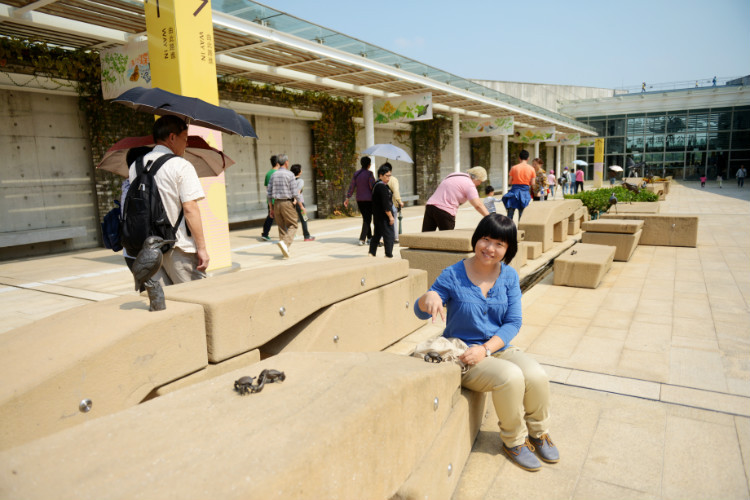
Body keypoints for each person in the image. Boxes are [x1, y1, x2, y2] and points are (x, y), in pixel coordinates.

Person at [413, 214, 558, 472]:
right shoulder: (453, 274)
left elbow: (513, 322)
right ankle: (514, 441)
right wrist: (430, 296)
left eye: (499, 244)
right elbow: (421, 310)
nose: (490, 248)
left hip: (496, 347)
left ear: (508, 249)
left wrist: (487, 349)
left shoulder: (509, 276)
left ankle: (538, 433)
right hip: (464, 353)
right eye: (485, 239)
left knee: (536, 375)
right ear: (476, 239)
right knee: (510, 377)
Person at [128, 115, 209, 286]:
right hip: (178, 247)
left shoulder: (135, 165)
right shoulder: (181, 165)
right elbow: (190, 208)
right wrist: (202, 248)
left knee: (166, 302)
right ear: (172, 137)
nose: (186, 144)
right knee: (196, 297)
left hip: (148, 250)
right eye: (185, 139)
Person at [421, 166, 489, 231]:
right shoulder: (469, 184)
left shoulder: (454, 174)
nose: (480, 184)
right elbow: (478, 205)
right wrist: (490, 218)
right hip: (445, 210)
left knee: (425, 235)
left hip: (430, 206)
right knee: (448, 239)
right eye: (480, 181)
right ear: (476, 178)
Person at [267, 153, 300, 259]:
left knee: (281, 227)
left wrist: (271, 209)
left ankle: (285, 251)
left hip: (276, 203)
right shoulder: (290, 174)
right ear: (286, 162)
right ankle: (285, 244)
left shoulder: (273, 175)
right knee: (293, 225)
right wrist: (298, 202)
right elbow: (295, 192)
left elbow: (269, 193)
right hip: (287, 202)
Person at [344, 157, 375, 245]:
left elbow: (352, 186)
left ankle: (369, 238)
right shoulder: (369, 174)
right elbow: (373, 186)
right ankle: (362, 239)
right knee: (367, 219)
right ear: (369, 165)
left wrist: (347, 198)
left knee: (366, 218)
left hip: (359, 200)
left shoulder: (356, 174)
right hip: (369, 200)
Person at [369, 163, 395, 258]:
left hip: (377, 216)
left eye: (389, 176)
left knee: (377, 235)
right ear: (380, 175)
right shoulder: (382, 187)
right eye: (386, 176)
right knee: (389, 236)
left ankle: (371, 253)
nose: (388, 178)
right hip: (384, 216)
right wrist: (390, 217)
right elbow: (385, 204)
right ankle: (388, 255)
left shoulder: (376, 185)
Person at [502, 150, 535, 222]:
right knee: (522, 215)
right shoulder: (532, 169)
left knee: (510, 215)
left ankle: (508, 231)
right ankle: (521, 231)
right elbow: (533, 183)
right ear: (528, 158)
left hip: (514, 192)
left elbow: (509, 182)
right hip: (525, 193)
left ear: (519, 158)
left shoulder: (514, 168)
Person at [290, 163, 314, 242]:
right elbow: (298, 192)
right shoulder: (300, 181)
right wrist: (300, 204)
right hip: (299, 202)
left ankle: (290, 235)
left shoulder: (290, 180)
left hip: (289, 202)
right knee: (304, 219)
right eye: (301, 169)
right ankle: (307, 236)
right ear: (299, 171)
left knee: (291, 219)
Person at [260, 156, 279, 241]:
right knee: (283, 216)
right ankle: (288, 232)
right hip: (279, 199)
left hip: (270, 199)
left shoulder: (268, 174)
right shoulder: (279, 173)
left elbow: (267, 189)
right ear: (278, 163)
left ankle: (265, 233)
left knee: (270, 216)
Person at [387, 172, 404, 243]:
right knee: (394, 220)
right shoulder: (393, 180)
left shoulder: (379, 180)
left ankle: (382, 238)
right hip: (392, 203)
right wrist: (399, 201)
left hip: (382, 204)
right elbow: (396, 192)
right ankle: (395, 237)